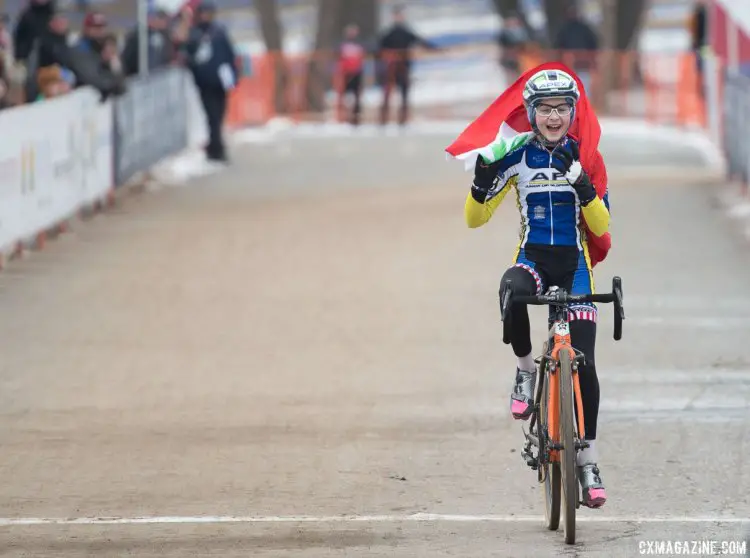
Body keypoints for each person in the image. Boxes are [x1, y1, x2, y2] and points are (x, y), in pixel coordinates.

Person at [463, 69, 610, 509]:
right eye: (544, 109)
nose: (553, 116)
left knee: (585, 369)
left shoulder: (585, 158)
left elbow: (602, 226)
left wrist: (584, 187)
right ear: (530, 113)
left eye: (562, 108)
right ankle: (526, 371)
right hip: (534, 262)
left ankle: (588, 459)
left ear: (573, 112)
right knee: (510, 289)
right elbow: (475, 219)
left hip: (575, 269)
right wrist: (479, 181)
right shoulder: (517, 156)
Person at [183, 0, 238, 162]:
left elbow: (229, 56)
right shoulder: (195, 34)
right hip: (205, 82)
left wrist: (233, 76)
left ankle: (215, 145)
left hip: (220, 82)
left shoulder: (219, 32)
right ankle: (216, 148)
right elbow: (188, 57)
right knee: (212, 115)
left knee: (219, 115)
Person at [376, 4, 438, 126]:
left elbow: (419, 41)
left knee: (404, 93)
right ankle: (383, 119)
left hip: (404, 67)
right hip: (391, 68)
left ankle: (402, 120)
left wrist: (435, 48)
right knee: (387, 93)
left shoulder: (406, 32)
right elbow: (379, 47)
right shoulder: (389, 33)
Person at [336, 23, 366, 126]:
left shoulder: (360, 44)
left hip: (357, 72)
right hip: (345, 73)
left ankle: (355, 117)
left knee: (356, 96)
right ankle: (343, 117)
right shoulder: (342, 44)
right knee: (343, 96)